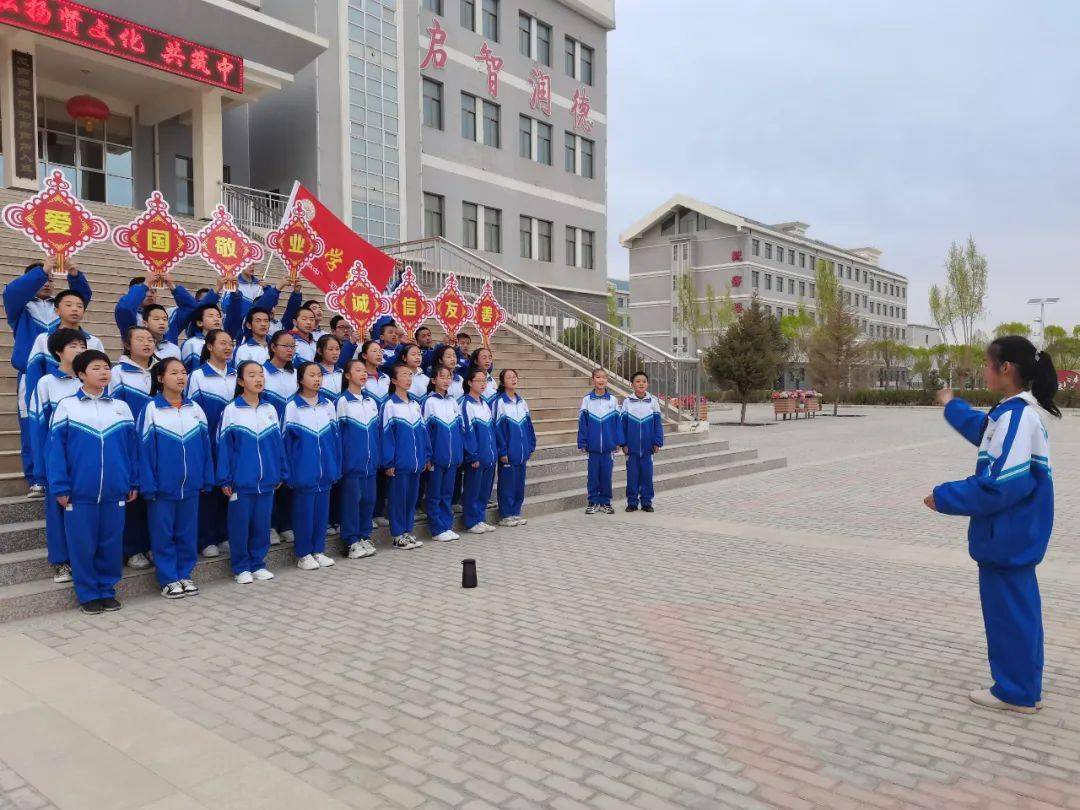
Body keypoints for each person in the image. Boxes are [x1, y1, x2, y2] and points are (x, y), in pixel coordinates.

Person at [926, 336, 1058, 714]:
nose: (983, 371)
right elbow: (982, 429)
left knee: (1009, 617)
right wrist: (952, 406)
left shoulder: (1018, 417)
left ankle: (1015, 692)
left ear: (1006, 369)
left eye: (987, 364)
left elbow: (1002, 485)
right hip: (1012, 537)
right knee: (1019, 612)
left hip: (1008, 537)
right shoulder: (1013, 414)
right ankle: (1024, 684)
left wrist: (944, 496)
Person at [45, 350, 138, 614]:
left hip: (115, 490)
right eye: (96, 368)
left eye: (106, 367)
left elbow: (132, 450)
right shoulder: (67, 406)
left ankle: (107, 590)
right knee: (82, 545)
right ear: (82, 374)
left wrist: (132, 481)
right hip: (79, 493)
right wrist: (60, 486)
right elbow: (56, 451)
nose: (104, 372)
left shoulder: (121, 407)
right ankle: (87, 594)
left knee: (110, 543)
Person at [4, 257, 90, 495]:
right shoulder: (20, 306)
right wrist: (43, 269)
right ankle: (36, 477)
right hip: (32, 372)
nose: (48, 281)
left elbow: (82, 297)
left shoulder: (61, 307)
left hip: (67, 371)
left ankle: (66, 472)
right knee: (33, 423)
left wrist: (73, 273)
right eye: (44, 277)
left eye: (51, 278)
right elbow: (13, 291)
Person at [139, 358, 214, 598]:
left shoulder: (195, 409)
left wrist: (206, 477)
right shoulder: (151, 409)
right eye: (174, 373)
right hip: (162, 487)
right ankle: (168, 578)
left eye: (183, 372)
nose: (181, 377)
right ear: (160, 378)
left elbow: (205, 447)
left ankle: (185, 574)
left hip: (190, 485)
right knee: (163, 535)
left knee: (187, 533)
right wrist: (148, 483)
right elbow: (144, 450)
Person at [218, 361, 288, 584]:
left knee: (261, 523)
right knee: (240, 525)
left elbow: (278, 445)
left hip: (267, 479)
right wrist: (225, 477)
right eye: (251, 375)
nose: (258, 379)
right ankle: (241, 567)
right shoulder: (231, 410)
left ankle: (258, 563)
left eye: (260, 375)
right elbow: (224, 447)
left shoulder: (270, 409)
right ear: (240, 381)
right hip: (242, 481)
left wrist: (280, 471)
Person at [27, 328, 85, 582]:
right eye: (73, 346)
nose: (80, 351)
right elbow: (38, 426)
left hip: (86, 458)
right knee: (58, 509)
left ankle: (86, 559)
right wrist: (42, 467)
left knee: (84, 510)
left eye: (83, 346)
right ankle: (62, 561)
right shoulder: (46, 383)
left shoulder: (94, 380)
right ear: (58, 351)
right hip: (58, 459)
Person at [283, 362, 342, 570]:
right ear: (300, 379)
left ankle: (318, 550)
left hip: (325, 470)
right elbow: (287, 443)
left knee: (321, 514)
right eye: (312, 375)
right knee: (304, 514)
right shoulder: (292, 407)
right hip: (303, 472)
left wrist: (335, 466)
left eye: (319, 375)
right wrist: (288, 472)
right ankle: (303, 554)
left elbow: (335, 439)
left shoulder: (328, 405)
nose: (317, 379)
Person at [108, 326, 157, 571]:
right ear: (127, 345)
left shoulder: (161, 370)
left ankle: (152, 544)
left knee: (154, 497)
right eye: (139, 339)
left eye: (150, 339)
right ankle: (133, 549)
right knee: (133, 497)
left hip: (158, 443)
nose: (147, 343)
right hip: (131, 443)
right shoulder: (118, 373)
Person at [186, 329, 237, 558]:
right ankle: (206, 538)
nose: (228, 347)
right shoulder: (198, 375)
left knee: (228, 487)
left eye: (230, 343)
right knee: (209, 489)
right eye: (222, 343)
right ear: (209, 346)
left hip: (232, 440)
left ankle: (224, 534)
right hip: (208, 439)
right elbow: (195, 411)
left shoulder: (237, 374)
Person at [24, 289, 105, 424]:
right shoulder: (44, 339)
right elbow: (33, 374)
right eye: (68, 305)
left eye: (79, 306)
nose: (75, 309)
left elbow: (102, 374)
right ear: (57, 310)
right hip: (53, 401)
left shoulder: (93, 341)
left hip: (88, 406)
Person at [381, 364, 430, 549]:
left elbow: (423, 433)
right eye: (404, 375)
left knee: (411, 499)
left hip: (416, 462)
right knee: (398, 499)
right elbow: (387, 436)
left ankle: (408, 531)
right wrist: (389, 461)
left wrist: (426, 455)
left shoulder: (415, 404)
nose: (408, 379)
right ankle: (397, 535)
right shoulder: (390, 405)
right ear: (394, 380)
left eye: (410, 375)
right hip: (399, 463)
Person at [337, 359, 381, 558]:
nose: (363, 374)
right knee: (351, 502)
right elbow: (339, 435)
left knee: (368, 500)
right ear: (347, 376)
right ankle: (351, 541)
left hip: (370, 464)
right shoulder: (343, 402)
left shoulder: (371, 401)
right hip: (352, 464)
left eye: (365, 371)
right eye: (358, 370)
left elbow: (376, 432)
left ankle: (365, 536)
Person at [262, 330, 298, 545]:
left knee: (290, 481)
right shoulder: (263, 373)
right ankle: (270, 526)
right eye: (285, 346)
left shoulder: (295, 373)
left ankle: (286, 524)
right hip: (271, 433)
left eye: (293, 346)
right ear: (273, 347)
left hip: (293, 434)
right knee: (273, 480)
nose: (290, 350)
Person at [423, 365, 464, 542]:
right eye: (442, 377)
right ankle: (437, 528)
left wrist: (459, 454)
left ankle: (447, 525)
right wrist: (428, 456)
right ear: (433, 380)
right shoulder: (428, 402)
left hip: (452, 458)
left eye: (449, 377)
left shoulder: (453, 402)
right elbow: (424, 432)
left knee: (447, 494)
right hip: (437, 458)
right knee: (434, 494)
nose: (446, 380)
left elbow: (460, 429)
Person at [114, 275, 198, 359]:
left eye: (153, 291)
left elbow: (193, 308)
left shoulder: (168, 317)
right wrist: (145, 285)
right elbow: (125, 308)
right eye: (146, 291)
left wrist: (173, 286)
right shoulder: (130, 318)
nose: (150, 294)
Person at [493, 369, 536, 527]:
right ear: (503, 382)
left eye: (515, 376)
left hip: (522, 451)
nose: (513, 379)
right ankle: (506, 515)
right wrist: (502, 451)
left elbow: (529, 426)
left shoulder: (521, 401)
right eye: (509, 377)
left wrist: (531, 444)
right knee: (507, 484)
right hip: (508, 452)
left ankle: (516, 512)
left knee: (519, 484)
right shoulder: (500, 402)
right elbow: (498, 429)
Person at [578, 368, 624, 515]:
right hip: (593, 447)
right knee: (592, 476)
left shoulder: (612, 400)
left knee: (606, 475)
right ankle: (592, 501)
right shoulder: (587, 400)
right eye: (598, 377)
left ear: (607, 380)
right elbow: (582, 423)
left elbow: (618, 423)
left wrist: (618, 441)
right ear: (593, 380)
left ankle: (605, 502)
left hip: (609, 447)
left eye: (604, 377)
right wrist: (583, 442)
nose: (601, 380)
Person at [620, 371, 664, 513]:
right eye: (638, 381)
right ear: (632, 384)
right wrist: (623, 443)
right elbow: (622, 425)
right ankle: (632, 502)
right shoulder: (627, 402)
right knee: (632, 475)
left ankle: (646, 502)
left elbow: (658, 425)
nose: (641, 384)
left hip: (647, 447)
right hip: (631, 448)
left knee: (646, 475)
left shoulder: (653, 402)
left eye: (644, 381)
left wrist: (657, 441)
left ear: (647, 384)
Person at [461, 367, 498, 534]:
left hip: (489, 455)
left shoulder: (485, 403)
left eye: (485, 381)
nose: (483, 384)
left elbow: (491, 430)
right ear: (469, 382)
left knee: (484, 490)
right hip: (476, 456)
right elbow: (467, 432)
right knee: (472, 490)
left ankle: (480, 518)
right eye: (479, 381)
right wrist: (473, 455)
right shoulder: (465, 403)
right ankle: (471, 521)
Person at [359, 340, 392, 528]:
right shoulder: (361, 377)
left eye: (380, 351)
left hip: (384, 429)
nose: (379, 354)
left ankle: (378, 511)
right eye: (374, 351)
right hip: (367, 427)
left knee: (382, 472)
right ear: (364, 355)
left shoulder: (386, 378)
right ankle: (365, 516)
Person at [181, 301, 228, 373]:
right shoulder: (191, 343)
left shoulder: (227, 344)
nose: (216, 319)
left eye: (218, 316)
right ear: (200, 323)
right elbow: (184, 370)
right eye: (211, 316)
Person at [315, 335, 344, 402]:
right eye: (330, 349)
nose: (335, 353)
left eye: (337, 349)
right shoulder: (315, 373)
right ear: (319, 351)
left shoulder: (342, 372)